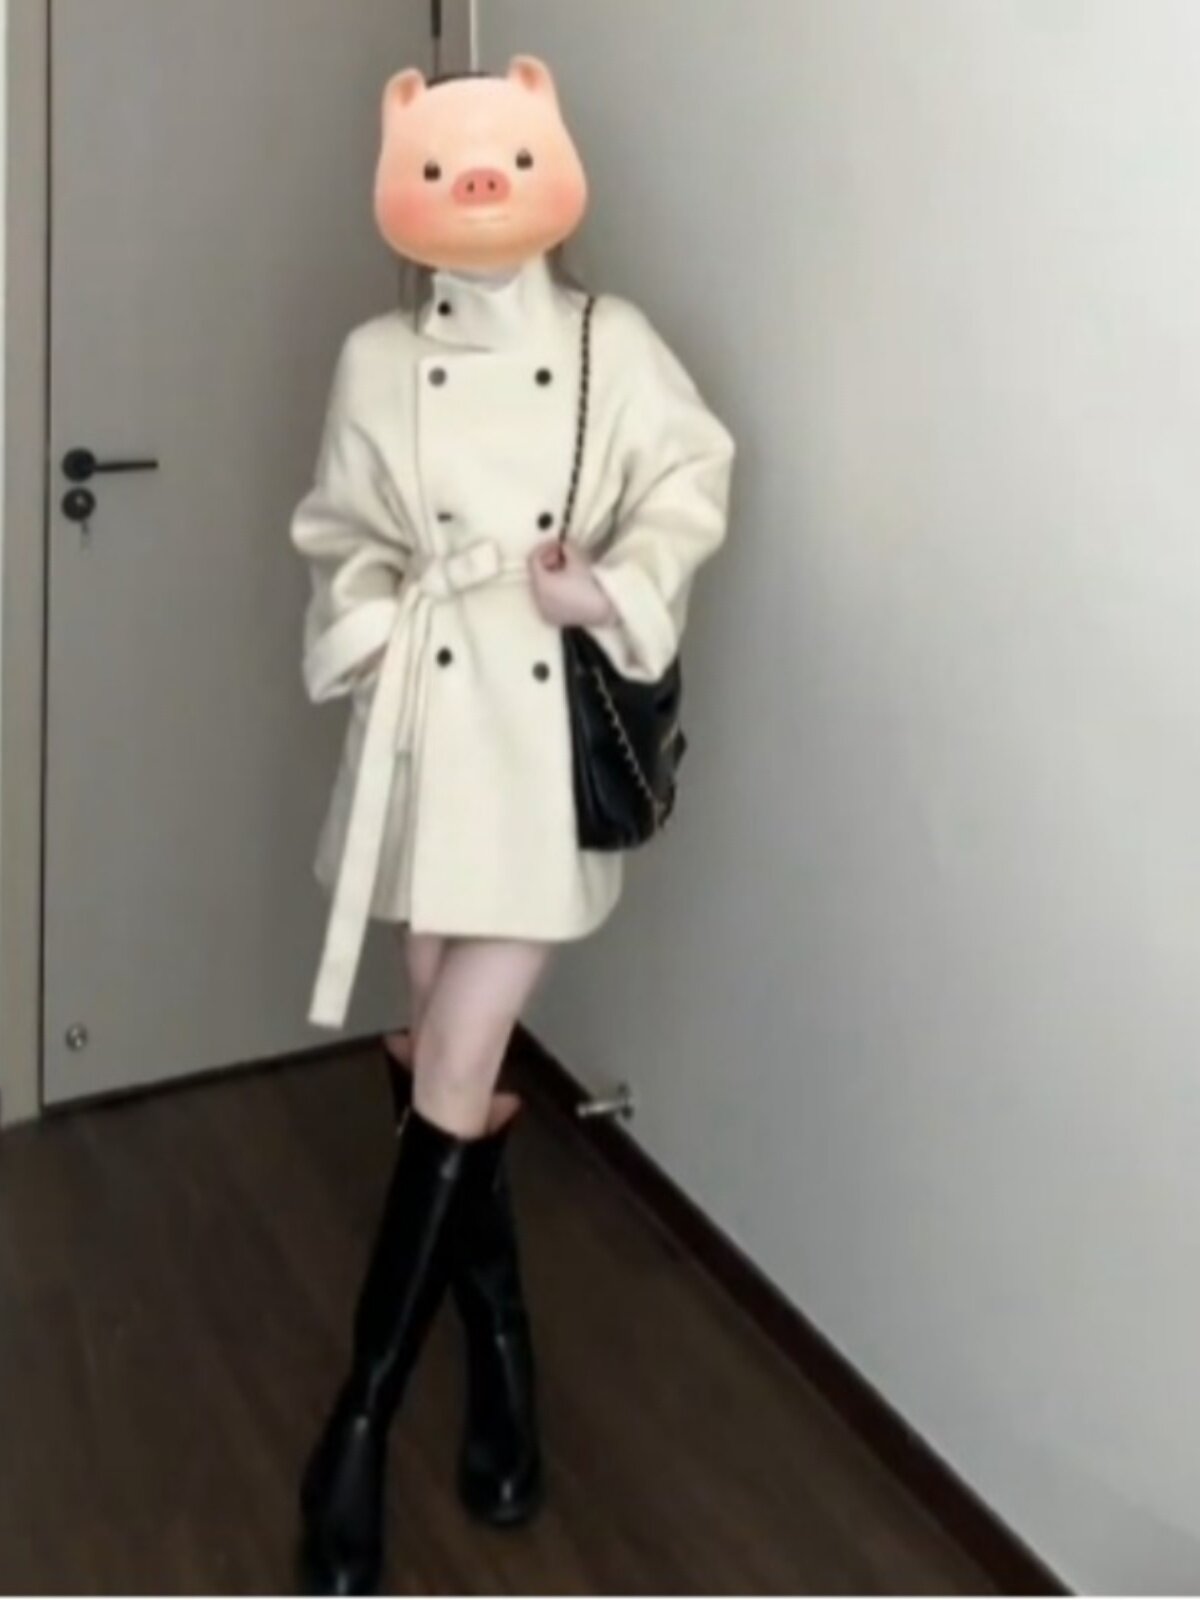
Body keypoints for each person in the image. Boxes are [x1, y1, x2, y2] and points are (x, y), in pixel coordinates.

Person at [291, 54, 735, 1595]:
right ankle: (502, 1361)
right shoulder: (372, 361)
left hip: (537, 751)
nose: (475, 184)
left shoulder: (614, 343)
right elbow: (340, 536)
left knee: (457, 1058)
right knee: (444, 1064)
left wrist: (604, 591)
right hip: (426, 740)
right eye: (441, 161)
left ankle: (355, 1426)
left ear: (549, 158)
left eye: (500, 156)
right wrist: (370, 624)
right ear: (400, 177)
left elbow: (694, 479)